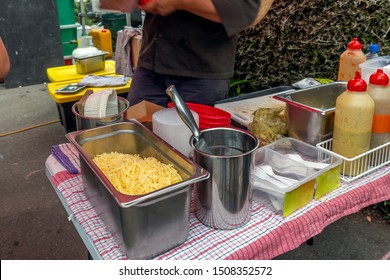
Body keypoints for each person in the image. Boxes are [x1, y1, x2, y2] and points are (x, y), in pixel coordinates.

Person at [127, 0, 262, 107]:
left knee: (190, 141)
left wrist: (179, 2)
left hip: (201, 76)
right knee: (135, 138)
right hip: (150, 67)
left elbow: (243, 10)